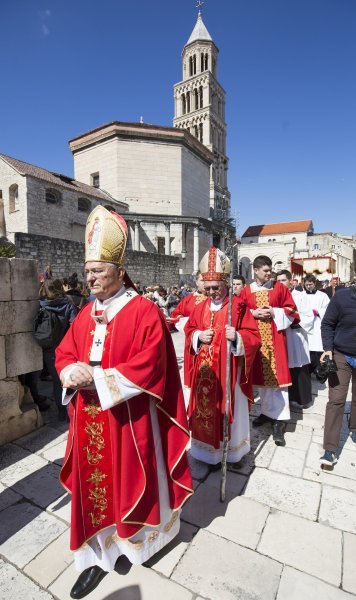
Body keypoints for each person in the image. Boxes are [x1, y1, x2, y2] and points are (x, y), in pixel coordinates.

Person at [55, 206, 193, 599]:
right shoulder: (85, 313)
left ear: (119, 268)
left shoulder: (144, 310)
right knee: (95, 489)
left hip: (129, 420)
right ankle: (98, 556)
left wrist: (96, 377)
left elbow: (152, 364)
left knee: (132, 481)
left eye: (98, 271)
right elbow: (65, 353)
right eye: (88, 272)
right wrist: (68, 373)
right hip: (88, 419)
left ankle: (138, 543)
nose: (91, 278)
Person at [185, 247, 260, 466]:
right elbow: (190, 330)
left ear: (225, 283)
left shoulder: (237, 307)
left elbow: (254, 337)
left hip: (230, 373)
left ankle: (234, 452)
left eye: (215, 287)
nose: (210, 293)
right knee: (205, 409)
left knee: (230, 410)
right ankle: (206, 454)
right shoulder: (200, 307)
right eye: (206, 288)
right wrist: (198, 335)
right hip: (205, 373)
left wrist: (237, 337)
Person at [238, 256, 299, 446]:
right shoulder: (247, 291)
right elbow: (238, 313)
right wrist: (252, 314)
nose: (269, 273)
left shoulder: (279, 288)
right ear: (255, 270)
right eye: (265, 270)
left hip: (275, 340)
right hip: (256, 342)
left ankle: (280, 421)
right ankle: (266, 413)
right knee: (261, 382)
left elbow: (292, 311)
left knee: (278, 383)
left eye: (270, 269)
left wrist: (274, 312)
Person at [319, 285, 356, 467]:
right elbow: (327, 324)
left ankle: (354, 427)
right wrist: (328, 349)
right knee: (336, 400)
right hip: (341, 355)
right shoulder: (341, 297)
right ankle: (330, 449)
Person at [39, 279, 77, 420]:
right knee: (68, 379)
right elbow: (75, 327)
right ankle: (70, 411)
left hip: (49, 346)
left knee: (56, 381)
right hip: (66, 347)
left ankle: (62, 413)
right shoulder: (67, 305)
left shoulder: (40, 304)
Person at [276, 270, 313, 408]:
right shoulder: (276, 296)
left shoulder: (300, 296)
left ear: (291, 281)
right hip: (282, 337)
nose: (280, 283)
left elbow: (309, 316)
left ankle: (303, 399)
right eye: (278, 281)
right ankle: (289, 397)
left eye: (283, 280)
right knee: (286, 367)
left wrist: (295, 321)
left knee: (299, 366)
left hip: (296, 336)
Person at [302, 274, 330, 374]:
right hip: (305, 326)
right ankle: (308, 370)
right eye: (306, 284)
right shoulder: (301, 295)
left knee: (317, 347)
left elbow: (328, 309)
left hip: (317, 324)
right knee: (306, 348)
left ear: (315, 284)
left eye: (310, 284)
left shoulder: (323, 295)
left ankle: (319, 369)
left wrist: (318, 311)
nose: (308, 286)